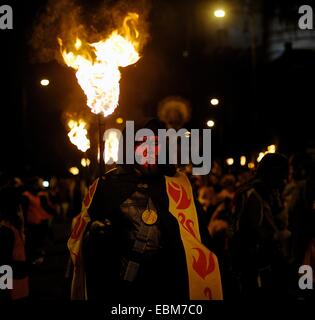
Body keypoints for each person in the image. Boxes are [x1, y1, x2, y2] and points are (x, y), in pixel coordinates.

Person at [68, 119, 222, 301]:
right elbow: (80, 244)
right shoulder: (105, 186)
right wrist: (94, 235)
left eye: (156, 143)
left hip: (168, 287)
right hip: (124, 289)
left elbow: (198, 237)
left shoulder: (179, 186)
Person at [229, 153, 289, 299]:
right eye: (281, 175)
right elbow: (254, 232)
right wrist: (278, 236)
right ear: (271, 173)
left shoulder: (269, 192)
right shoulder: (252, 194)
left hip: (262, 263)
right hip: (253, 267)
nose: (284, 180)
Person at [0, 174, 29, 301]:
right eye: (18, 208)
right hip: (13, 285)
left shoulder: (13, 227)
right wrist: (4, 288)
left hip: (19, 279)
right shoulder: (6, 230)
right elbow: (4, 263)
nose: (21, 212)